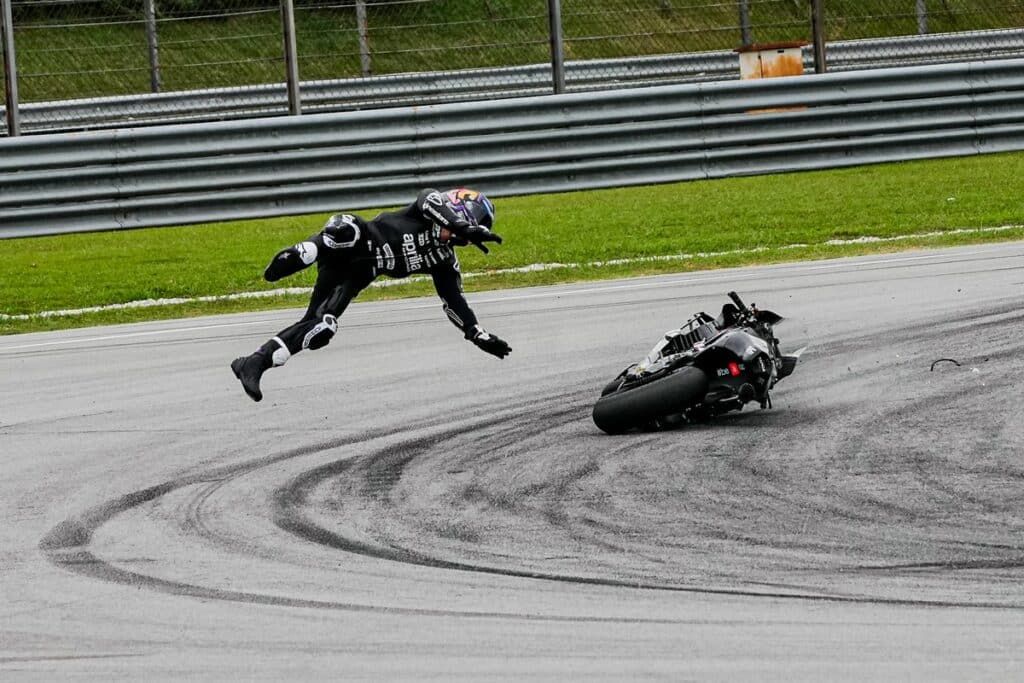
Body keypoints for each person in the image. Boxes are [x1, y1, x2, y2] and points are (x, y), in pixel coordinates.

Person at [230, 188, 511, 402]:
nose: (457, 238)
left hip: (353, 276)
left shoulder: (443, 261)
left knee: (320, 326)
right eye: (458, 229)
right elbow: (428, 199)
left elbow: (454, 301)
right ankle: (302, 252)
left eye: (463, 240)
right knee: (345, 231)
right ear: (454, 209)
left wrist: (476, 334)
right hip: (354, 238)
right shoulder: (427, 206)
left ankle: (253, 363)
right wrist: (463, 226)